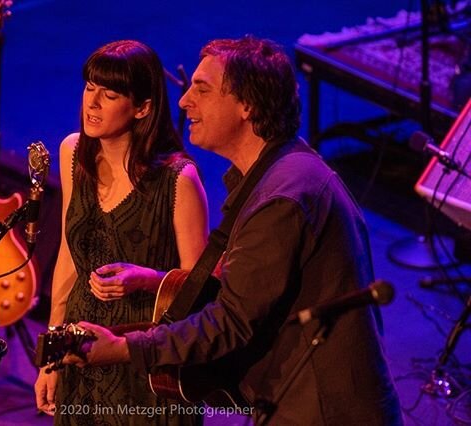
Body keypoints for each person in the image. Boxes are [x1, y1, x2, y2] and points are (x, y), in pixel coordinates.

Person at [64, 36, 404, 425]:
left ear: (247, 105)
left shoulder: (282, 197)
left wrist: (125, 348)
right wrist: (154, 282)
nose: (182, 100)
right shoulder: (276, 173)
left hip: (322, 411)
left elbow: (231, 322)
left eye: (202, 89)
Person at [33, 40, 209, 426]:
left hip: (143, 355)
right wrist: (52, 351)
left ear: (142, 107)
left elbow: (201, 292)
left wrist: (148, 279)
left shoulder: (178, 180)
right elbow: (68, 253)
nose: (92, 103)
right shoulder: (73, 152)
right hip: (79, 346)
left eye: (109, 94)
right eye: (89, 88)